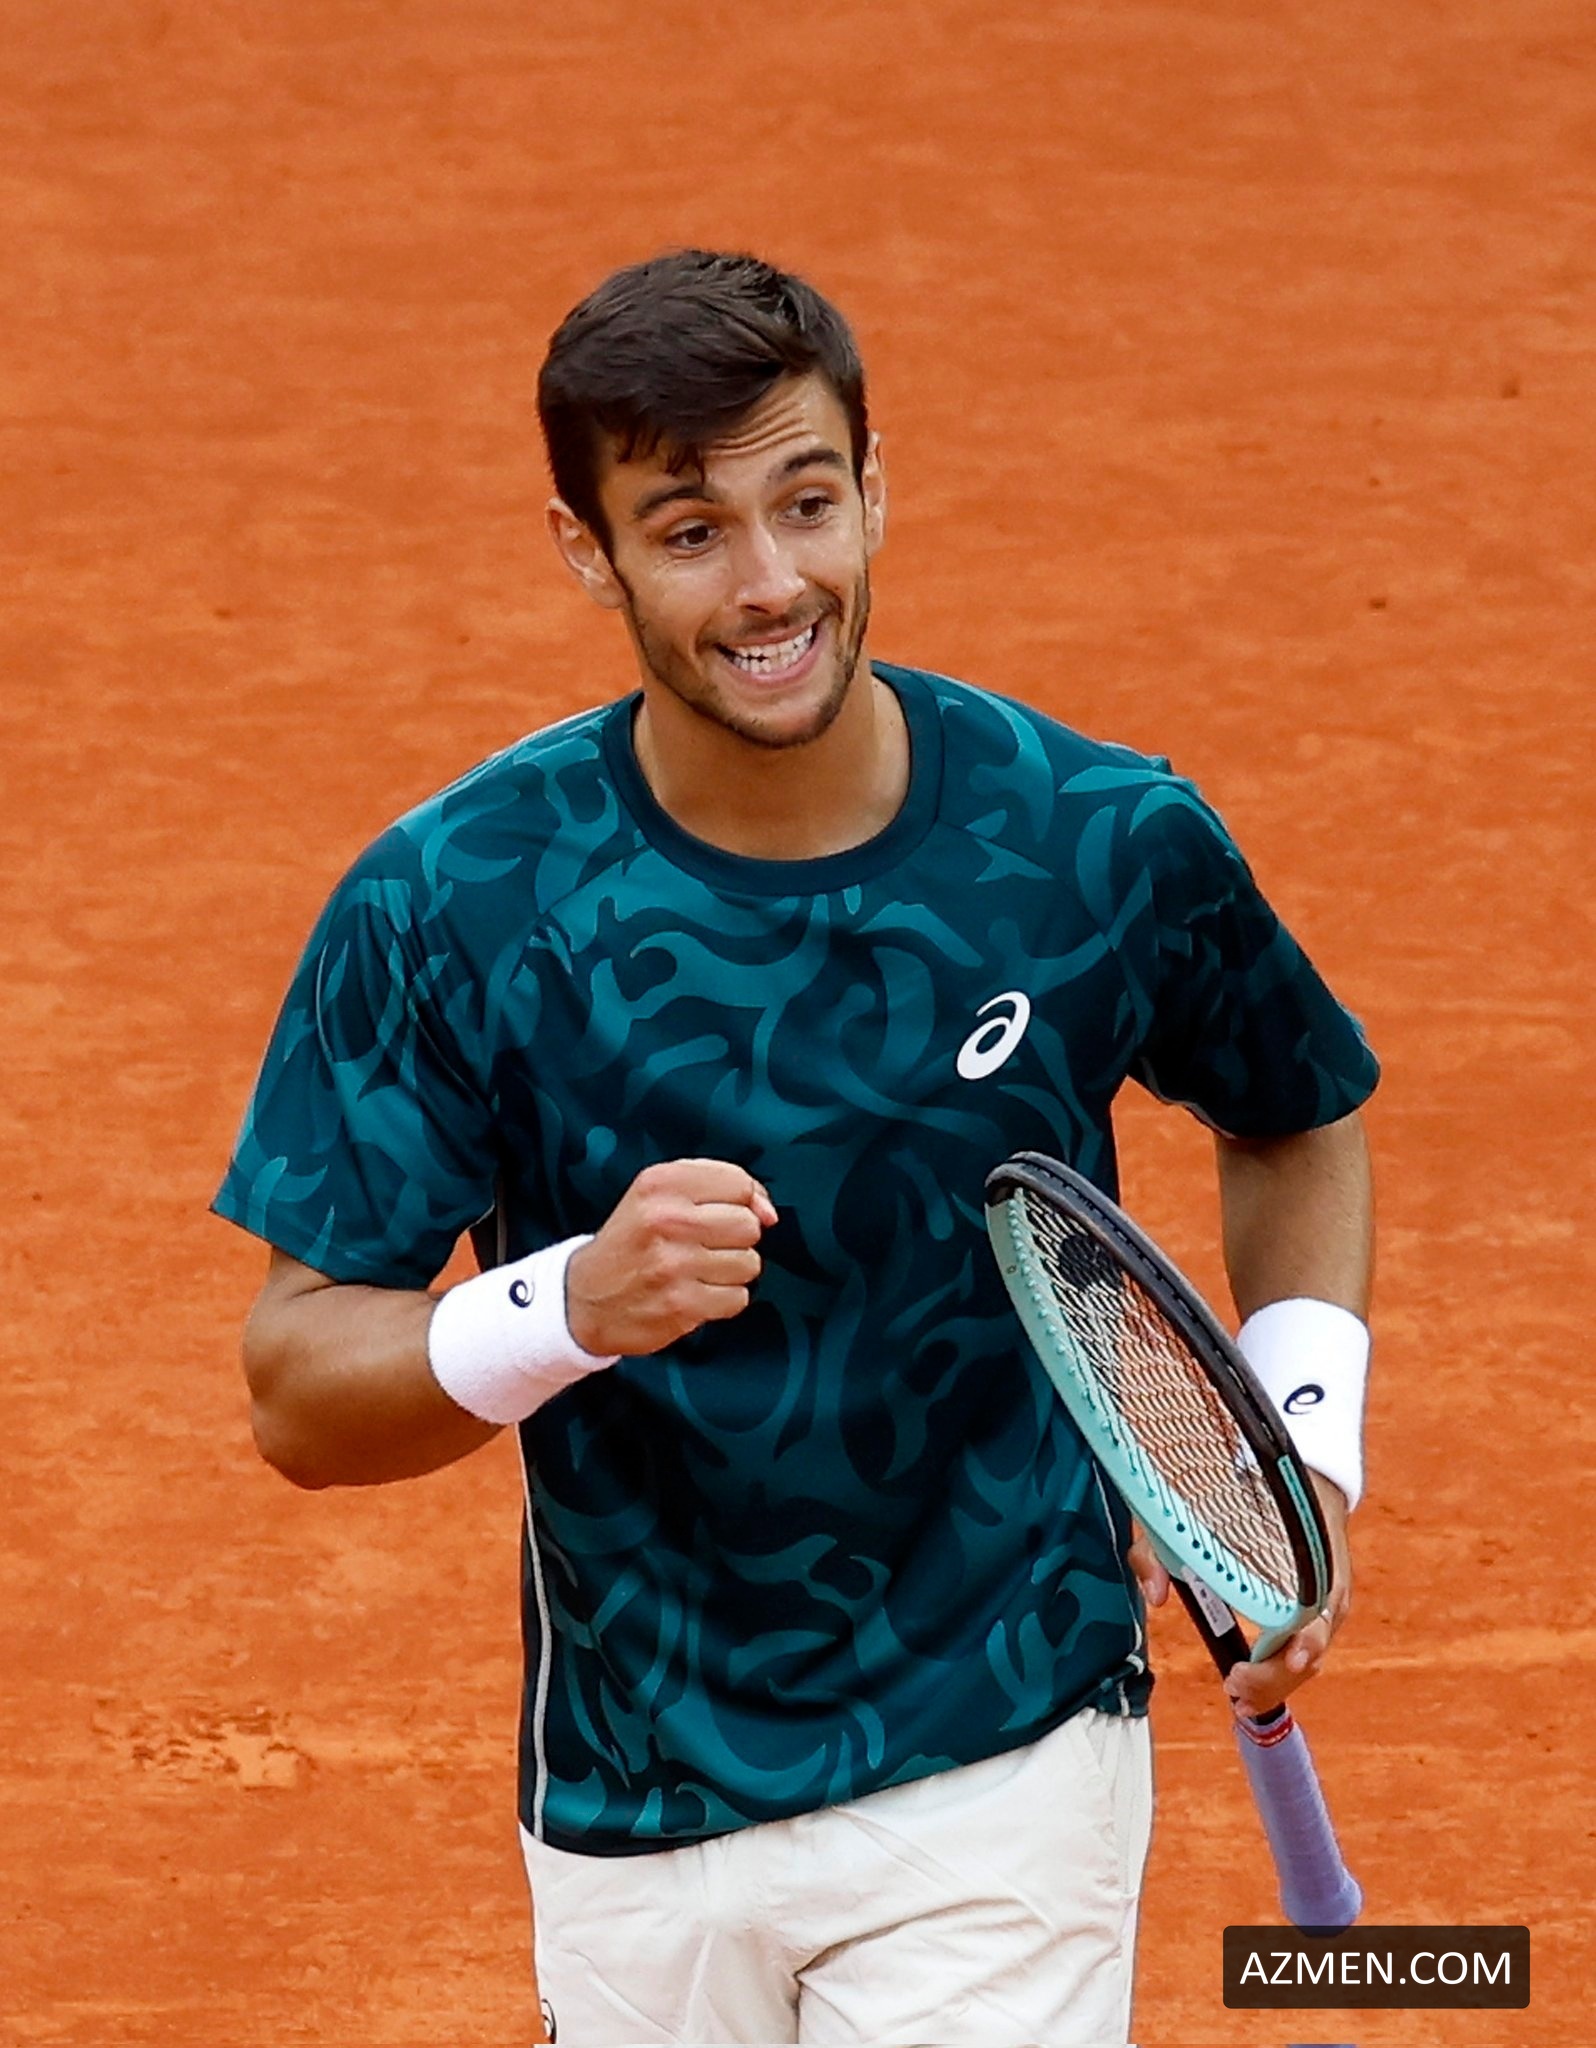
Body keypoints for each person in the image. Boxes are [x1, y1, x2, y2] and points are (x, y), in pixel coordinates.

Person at [215, 249, 1378, 2046]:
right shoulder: (455, 905)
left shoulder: (1096, 839)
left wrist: (1295, 1458)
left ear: (876, 488)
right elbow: (299, 1388)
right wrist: (567, 1305)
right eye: (690, 532)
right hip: (633, 1799)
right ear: (587, 551)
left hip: (1005, 1744)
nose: (771, 583)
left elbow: (1291, 1110)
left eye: (808, 502)